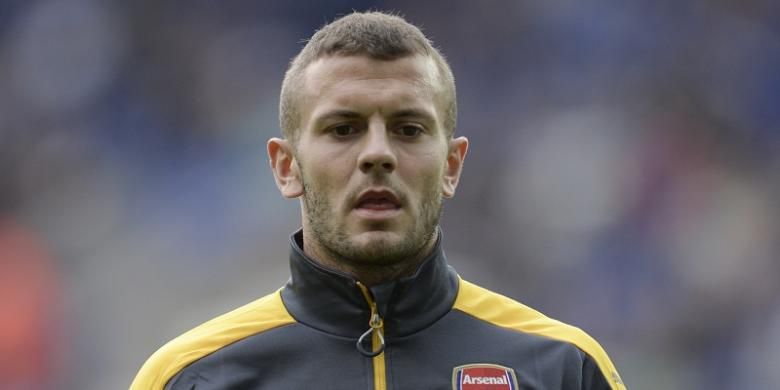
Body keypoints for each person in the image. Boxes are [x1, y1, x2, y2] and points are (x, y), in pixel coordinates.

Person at [131, 11, 625, 390]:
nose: (377, 154)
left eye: (408, 129)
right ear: (287, 167)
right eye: (343, 129)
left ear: (451, 166)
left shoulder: (562, 366)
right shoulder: (191, 376)